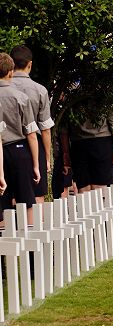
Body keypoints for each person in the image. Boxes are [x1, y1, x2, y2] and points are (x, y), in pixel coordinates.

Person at [10, 45, 54, 203]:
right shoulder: (40, 90)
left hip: (6, 147)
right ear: (30, 64)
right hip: (33, 147)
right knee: (36, 196)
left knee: (7, 197)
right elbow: (46, 129)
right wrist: (47, 158)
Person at [0, 52, 40, 225]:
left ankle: (4, 248)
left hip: (1, 152)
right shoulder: (21, 97)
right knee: (26, 200)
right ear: (11, 72)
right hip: (19, 150)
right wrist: (36, 164)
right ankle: (30, 248)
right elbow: (31, 134)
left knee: (2, 202)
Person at [61, 98, 113, 193]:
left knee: (83, 184)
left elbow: (64, 130)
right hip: (102, 142)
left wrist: (66, 152)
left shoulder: (72, 97)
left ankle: (85, 207)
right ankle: (100, 206)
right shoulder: (106, 96)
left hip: (78, 144)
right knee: (100, 184)